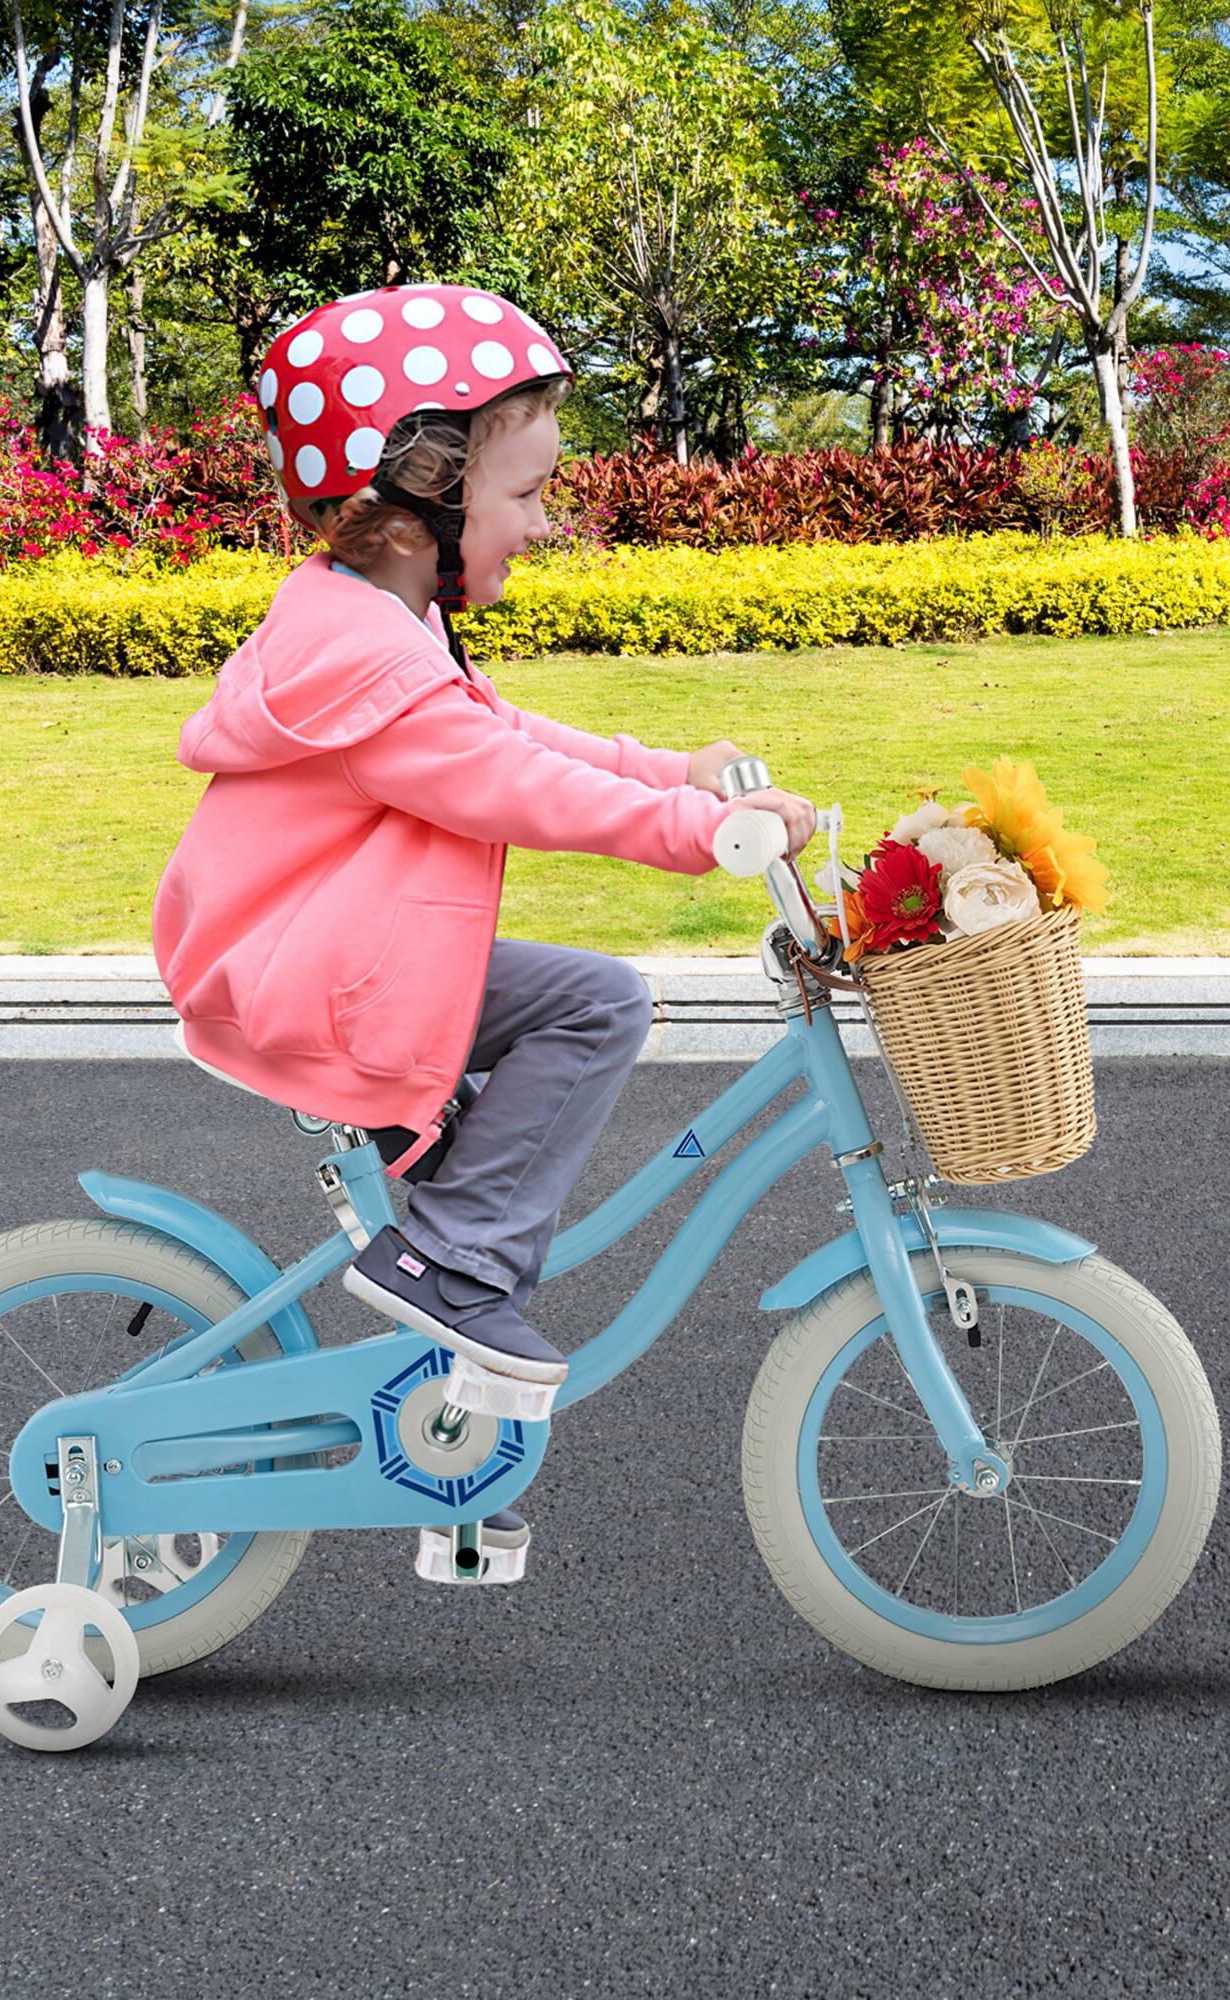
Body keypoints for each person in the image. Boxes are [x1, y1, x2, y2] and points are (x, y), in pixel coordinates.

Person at [152, 283, 816, 1474]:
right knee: (594, 1003)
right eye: (526, 492)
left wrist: (682, 772)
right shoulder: (360, 654)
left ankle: (453, 1345)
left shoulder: (379, 618)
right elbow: (512, 786)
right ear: (418, 502)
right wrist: (690, 830)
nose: (546, 522)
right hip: (313, 972)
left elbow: (514, 735)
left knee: (587, 1006)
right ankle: (447, 1263)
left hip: (330, 949)